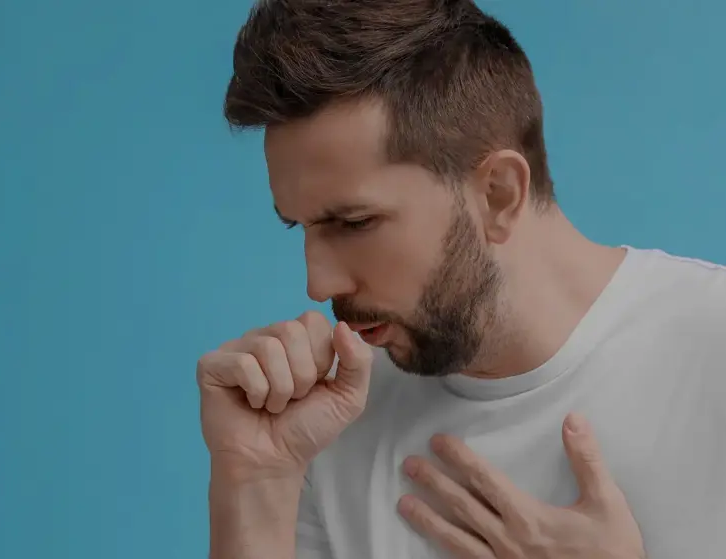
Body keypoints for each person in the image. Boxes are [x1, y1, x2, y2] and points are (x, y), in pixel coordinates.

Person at [195, 0, 726, 558]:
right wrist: (254, 483)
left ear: (497, 194)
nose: (318, 283)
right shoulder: (321, 424)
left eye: (354, 223)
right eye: (301, 227)